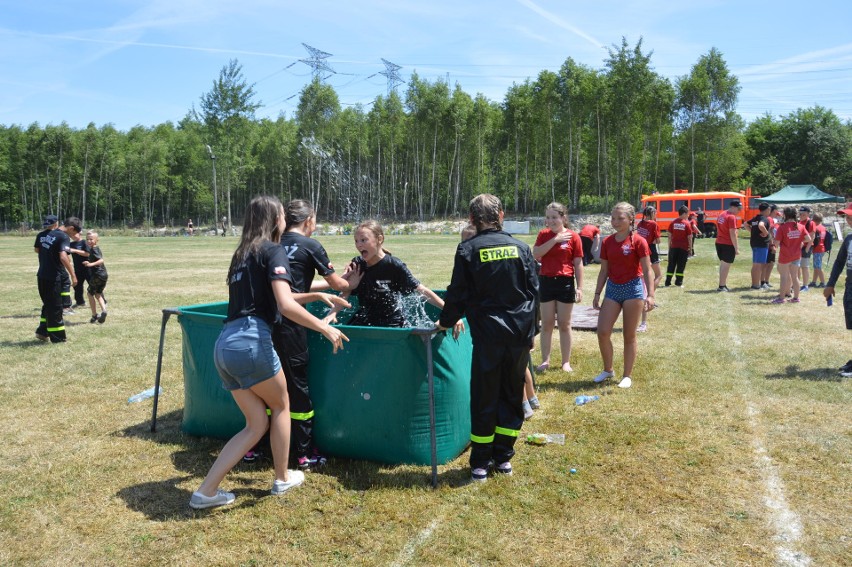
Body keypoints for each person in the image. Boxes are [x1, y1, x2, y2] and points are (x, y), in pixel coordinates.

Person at [190, 195, 349, 510]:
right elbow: (285, 305)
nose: (284, 220)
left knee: (254, 424)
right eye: (281, 215)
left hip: (225, 344)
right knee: (280, 406)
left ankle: (205, 492)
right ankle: (282, 478)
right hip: (252, 341)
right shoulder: (272, 249)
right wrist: (324, 326)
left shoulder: (241, 255)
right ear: (274, 219)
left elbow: (277, 298)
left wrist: (318, 294)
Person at [436, 194, 539, 482]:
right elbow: (534, 291)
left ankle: (481, 462)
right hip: (519, 333)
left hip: (489, 336)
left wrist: (445, 322)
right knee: (510, 393)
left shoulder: (468, 249)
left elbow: (458, 293)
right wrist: (533, 331)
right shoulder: (521, 247)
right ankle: (503, 458)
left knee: (485, 396)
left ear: (471, 219)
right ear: (501, 215)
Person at [271, 199, 361, 470]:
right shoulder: (311, 246)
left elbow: (294, 282)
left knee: (271, 389)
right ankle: (303, 454)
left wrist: (330, 287)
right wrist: (350, 282)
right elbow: (338, 283)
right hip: (291, 325)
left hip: (265, 325)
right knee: (298, 389)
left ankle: (260, 448)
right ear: (309, 221)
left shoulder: (272, 244)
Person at [326, 220, 463, 335]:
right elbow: (346, 292)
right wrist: (332, 313)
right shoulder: (358, 264)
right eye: (356, 241)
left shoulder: (394, 265)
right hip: (366, 318)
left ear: (380, 239)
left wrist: (451, 314)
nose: (359, 244)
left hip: (392, 321)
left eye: (364, 240)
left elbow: (422, 291)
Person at [591, 202, 655, 389]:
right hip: (612, 289)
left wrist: (650, 295)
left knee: (629, 335)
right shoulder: (607, 242)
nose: (616, 221)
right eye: (613, 218)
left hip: (633, 289)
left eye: (621, 218)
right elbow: (604, 271)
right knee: (602, 332)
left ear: (630, 220)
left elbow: (647, 269)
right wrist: (597, 293)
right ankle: (608, 369)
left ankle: (627, 375)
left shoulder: (638, 241)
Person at [532, 202, 583, 372]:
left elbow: (578, 263)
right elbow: (536, 254)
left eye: (554, 217)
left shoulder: (573, 237)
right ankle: (545, 360)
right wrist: (555, 240)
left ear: (563, 218)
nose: (551, 221)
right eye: (548, 217)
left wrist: (580, 287)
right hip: (546, 281)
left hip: (565, 282)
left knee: (564, 324)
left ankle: (565, 362)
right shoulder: (543, 235)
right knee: (546, 324)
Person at [34, 215, 77, 343]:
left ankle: (42, 332)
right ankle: (58, 338)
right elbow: (64, 257)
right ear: (56, 223)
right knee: (56, 307)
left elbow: (37, 249)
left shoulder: (40, 235)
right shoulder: (62, 236)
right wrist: (73, 274)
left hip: (41, 275)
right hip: (53, 277)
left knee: (48, 304)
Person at [823, 203, 852, 376]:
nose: (848, 220)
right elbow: (839, 262)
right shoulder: (849, 239)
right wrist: (830, 284)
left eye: (850, 217)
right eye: (847, 217)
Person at [771, 206, 812, 304]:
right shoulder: (800, 226)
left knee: (784, 277)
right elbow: (809, 239)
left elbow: (776, 243)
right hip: (796, 255)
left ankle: (781, 298)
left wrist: (773, 246)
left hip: (785, 255)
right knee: (795, 277)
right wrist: (799, 241)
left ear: (785, 215)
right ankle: (796, 298)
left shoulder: (782, 227)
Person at [635, 206, 661, 332]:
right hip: (650, 249)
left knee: (644, 275)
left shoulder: (640, 223)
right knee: (658, 275)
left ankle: (649, 295)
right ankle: (651, 295)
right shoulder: (654, 224)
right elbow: (657, 240)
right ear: (652, 213)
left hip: (640, 250)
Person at [715, 199, 743, 291]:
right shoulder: (731, 217)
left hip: (719, 242)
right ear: (733, 207)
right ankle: (722, 286)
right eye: (739, 208)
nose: (740, 211)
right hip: (727, 243)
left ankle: (722, 284)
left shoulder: (722, 214)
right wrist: (736, 248)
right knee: (726, 265)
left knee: (723, 264)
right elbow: (733, 233)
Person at [83, 232, 109, 324]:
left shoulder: (94, 249)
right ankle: (104, 311)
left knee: (90, 294)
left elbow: (101, 260)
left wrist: (90, 264)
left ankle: (94, 315)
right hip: (103, 275)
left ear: (96, 240)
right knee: (98, 294)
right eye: (87, 239)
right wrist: (88, 261)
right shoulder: (93, 249)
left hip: (98, 275)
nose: (89, 241)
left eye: (91, 239)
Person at [664, 206, 693, 287]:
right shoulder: (687, 223)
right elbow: (690, 237)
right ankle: (678, 282)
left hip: (673, 247)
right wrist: (690, 249)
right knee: (681, 265)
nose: (688, 215)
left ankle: (667, 282)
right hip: (683, 248)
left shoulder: (673, 222)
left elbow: (669, 235)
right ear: (684, 214)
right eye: (687, 214)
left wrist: (669, 247)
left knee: (671, 264)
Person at [745, 203, 771, 290]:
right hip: (761, 244)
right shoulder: (764, 219)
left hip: (754, 243)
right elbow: (761, 225)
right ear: (766, 210)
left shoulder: (755, 218)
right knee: (758, 265)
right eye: (769, 210)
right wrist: (766, 233)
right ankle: (755, 285)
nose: (769, 211)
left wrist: (752, 232)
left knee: (756, 264)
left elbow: (745, 224)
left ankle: (755, 284)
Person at [67, 221, 90, 308]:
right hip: (78, 269)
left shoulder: (84, 242)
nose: (72, 236)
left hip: (88, 268)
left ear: (79, 233)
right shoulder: (71, 244)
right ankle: (80, 302)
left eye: (74, 234)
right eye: (71, 236)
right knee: (77, 286)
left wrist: (75, 250)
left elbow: (88, 254)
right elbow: (66, 254)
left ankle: (103, 301)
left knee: (93, 285)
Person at [798, 207, 815, 291]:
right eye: (800, 214)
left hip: (806, 247)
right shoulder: (799, 222)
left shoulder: (810, 223)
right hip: (799, 246)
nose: (801, 216)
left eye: (803, 214)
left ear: (808, 214)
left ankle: (805, 285)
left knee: (805, 266)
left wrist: (807, 248)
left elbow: (812, 236)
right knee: (797, 266)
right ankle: (796, 284)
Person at [809, 213, 828, 288]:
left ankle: (823, 282)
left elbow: (814, 239)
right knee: (816, 266)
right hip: (822, 248)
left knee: (818, 267)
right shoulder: (823, 227)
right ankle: (814, 281)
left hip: (817, 249)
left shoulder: (816, 228)